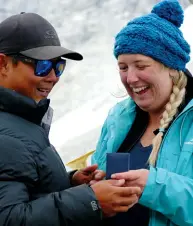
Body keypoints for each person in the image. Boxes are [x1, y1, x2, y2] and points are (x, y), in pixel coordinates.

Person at [0, 12, 142, 225]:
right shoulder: (5, 132)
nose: (53, 77)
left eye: (59, 66)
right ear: (3, 64)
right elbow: (9, 218)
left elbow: (24, 184)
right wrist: (91, 200)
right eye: (42, 65)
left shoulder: (21, 118)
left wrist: (70, 182)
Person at [91, 0, 193, 225]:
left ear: (170, 68)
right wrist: (95, 183)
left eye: (141, 65)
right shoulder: (118, 118)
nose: (130, 78)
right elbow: (99, 174)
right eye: (123, 67)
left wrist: (154, 187)